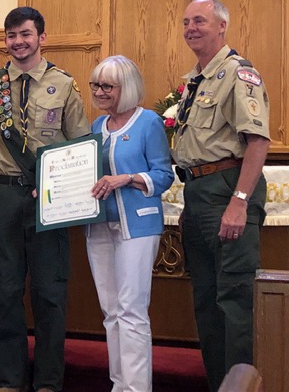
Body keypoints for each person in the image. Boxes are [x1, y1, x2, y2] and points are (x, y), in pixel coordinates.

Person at [0, 7, 90, 392]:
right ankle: (9, 380)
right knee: (7, 291)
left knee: (49, 292)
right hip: (4, 196)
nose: (18, 42)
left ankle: (48, 382)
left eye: (26, 34)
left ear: (41, 38)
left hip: (50, 200)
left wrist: (61, 190)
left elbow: (80, 146)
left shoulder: (63, 84)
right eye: (12, 35)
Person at [172, 0, 270, 392]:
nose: (191, 28)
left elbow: (257, 142)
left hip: (228, 189)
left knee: (233, 300)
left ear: (221, 26)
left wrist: (239, 202)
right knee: (207, 301)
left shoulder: (238, 74)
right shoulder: (196, 78)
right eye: (186, 22)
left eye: (200, 20)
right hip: (199, 193)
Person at [87, 55, 174, 392]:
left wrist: (127, 178)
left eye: (106, 86)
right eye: (95, 85)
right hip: (98, 228)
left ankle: (137, 388)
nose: (98, 91)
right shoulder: (96, 127)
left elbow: (164, 175)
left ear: (126, 88)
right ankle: (118, 384)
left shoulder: (147, 122)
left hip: (137, 226)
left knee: (131, 311)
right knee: (110, 312)